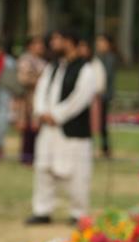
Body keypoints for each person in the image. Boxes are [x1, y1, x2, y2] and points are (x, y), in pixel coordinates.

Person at [26, 30, 97, 225]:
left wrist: (58, 115)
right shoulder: (53, 67)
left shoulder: (85, 69)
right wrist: (41, 112)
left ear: (70, 42)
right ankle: (42, 210)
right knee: (44, 168)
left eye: (58, 40)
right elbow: (41, 91)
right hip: (49, 129)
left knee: (75, 172)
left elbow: (80, 98)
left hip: (72, 129)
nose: (54, 44)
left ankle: (78, 213)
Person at [15, 36, 47, 164]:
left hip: (40, 99)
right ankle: (27, 158)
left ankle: (36, 156)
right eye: (37, 44)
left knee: (37, 129)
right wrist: (39, 80)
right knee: (28, 129)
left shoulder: (42, 61)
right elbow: (23, 79)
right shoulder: (25, 60)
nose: (40, 47)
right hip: (27, 99)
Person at [95, 34, 116, 157]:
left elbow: (105, 76)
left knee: (102, 123)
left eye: (101, 42)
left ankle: (106, 148)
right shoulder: (99, 57)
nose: (99, 45)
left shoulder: (109, 58)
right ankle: (103, 147)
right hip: (99, 95)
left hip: (104, 95)